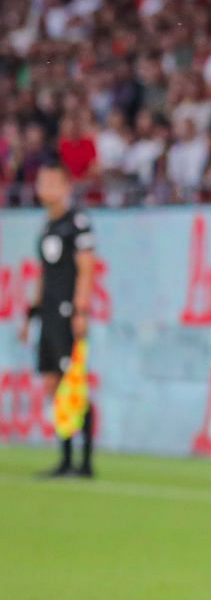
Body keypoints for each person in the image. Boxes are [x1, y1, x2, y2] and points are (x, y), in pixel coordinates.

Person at [17, 163, 97, 478]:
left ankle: (85, 462)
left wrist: (80, 310)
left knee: (73, 385)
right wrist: (30, 316)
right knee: (52, 384)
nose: (44, 188)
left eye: (51, 182)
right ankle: (65, 459)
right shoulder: (47, 225)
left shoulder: (77, 223)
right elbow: (42, 274)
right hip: (48, 314)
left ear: (66, 186)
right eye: (41, 182)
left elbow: (87, 269)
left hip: (67, 313)